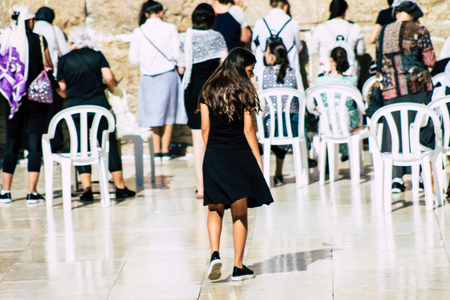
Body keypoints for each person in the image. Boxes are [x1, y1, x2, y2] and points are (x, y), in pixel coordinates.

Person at [200, 48, 273, 281]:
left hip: (213, 154)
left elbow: (204, 128)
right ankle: (238, 267)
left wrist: (212, 152)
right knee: (239, 211)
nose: (251, 76)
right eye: (250, 71)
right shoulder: (244, 91)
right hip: (238, 154)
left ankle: (214, 254)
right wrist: (258, 161)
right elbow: (248, 129)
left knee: (215, 207)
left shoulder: (208, 89)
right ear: (241, 68)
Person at [57, 27, 136, 201]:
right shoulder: (97, 55)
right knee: (110, 143)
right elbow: (108, 77)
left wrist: (67, 95)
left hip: (74, 109)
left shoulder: (64, 60)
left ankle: (87, 189)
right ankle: (120, 186)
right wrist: (112, 89)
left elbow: (62, 88)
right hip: (99, 106)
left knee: (80, 144)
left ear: (72, 42)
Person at [375, 0, 435, 193]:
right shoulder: (420, 30)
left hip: (391, 90)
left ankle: (396, 179)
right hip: (417, 89)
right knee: (417, 129)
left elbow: (379, 61)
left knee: (394, 131)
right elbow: (430, 60)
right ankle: (418, 177)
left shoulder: (383, 31)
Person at [0, 5, 54, 204]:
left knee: (12, 143)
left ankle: (5, 191)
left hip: (13, 98)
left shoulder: (6, 39)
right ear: (30, 21)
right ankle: (32, 192)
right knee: (34, 143)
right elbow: (49, 65)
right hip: (36, 97)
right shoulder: (39, 39)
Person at [178, 3, 228, 199]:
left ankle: (202, 187)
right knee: (216, 136)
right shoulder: (217, 37)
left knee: (198, 139)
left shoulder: (185, 37)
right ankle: (218, 182)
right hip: (213, 91)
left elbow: (181, 69)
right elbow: (225, 65)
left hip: (192, 91)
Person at [129, 0, 183, 161]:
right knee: (168, 113)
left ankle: (156, 151)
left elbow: (133, 59)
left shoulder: (139, 31)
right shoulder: (170, 28)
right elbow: (175, 54)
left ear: (146, 14)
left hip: (148, 76)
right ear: (161, 12)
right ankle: (165, 151)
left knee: (153, 113)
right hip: (167, 73)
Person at [261, 41, 316, 185]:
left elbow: (261, 102)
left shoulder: (264, 73)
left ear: (272, 57)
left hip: (270, 127)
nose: (265, 56)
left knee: (275, 121)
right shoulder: (294, 72)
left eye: (266, 53)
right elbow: (302, 97)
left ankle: (278, 172)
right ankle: (305, 155)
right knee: (295, 121)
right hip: (292, 126)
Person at [34, 6, 70, 152]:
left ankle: (34, 149)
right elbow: (65, 53)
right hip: (51, 78)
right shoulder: (54, 30)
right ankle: (53, 147)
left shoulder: (30, 30)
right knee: (53, 114)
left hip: (33, 80)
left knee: (35, 115)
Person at [314, 47, 360, 162]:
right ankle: (345, 151)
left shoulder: (320, 81)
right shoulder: (352, 81)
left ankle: (327, 155)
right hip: (347, 125)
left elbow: (314, 105)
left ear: (330, 60)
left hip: (327, 126)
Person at [251, 0, 304, 93]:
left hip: (264, 70)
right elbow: (299, 47)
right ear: (286, 7)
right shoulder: (293, 23)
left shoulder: (260, 22)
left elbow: (253, 47)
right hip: (288, 70)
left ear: (270, 6)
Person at [309, 0, 365, 77]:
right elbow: (360, 52)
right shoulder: (355, 28)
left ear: (330, 10)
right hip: (349, 73)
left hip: (326, 71)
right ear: (345, 11)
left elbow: (313, 51)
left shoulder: (320, 28)